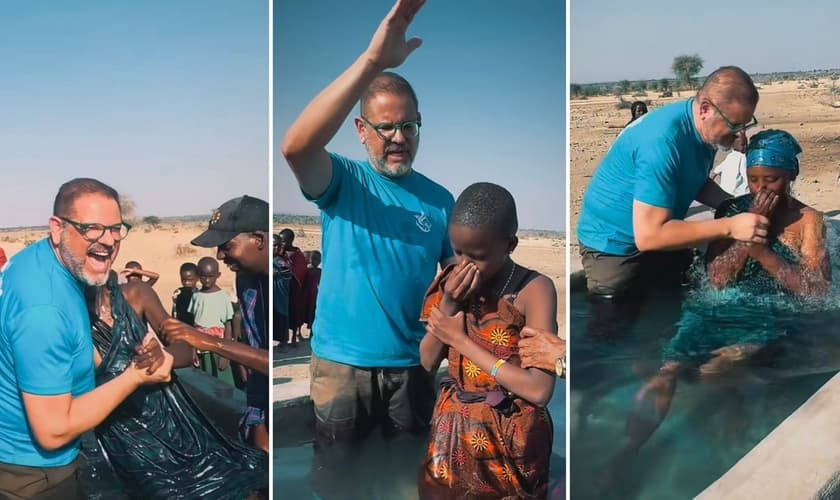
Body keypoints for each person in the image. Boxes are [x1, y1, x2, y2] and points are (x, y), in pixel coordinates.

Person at [281, 0, 454, 490]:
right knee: (335, 474)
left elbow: (457, 280)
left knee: (406, 471)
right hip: (342, 365)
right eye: (385, 128)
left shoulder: (441, 200)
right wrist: (373, 63)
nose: (398, 138)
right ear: (361, 131)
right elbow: (295, 147)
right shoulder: (344, 181)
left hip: (413, 365)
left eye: (409, 126)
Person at [630, 129, 831, 460]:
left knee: (715, 369)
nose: (761, 189)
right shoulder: (732, 212)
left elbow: (816, 294)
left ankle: (736, 409)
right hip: (719, 306)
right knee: (667, 369)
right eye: (754, 180)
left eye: (772, 180)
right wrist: (749, 230)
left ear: (791, 175)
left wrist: (763, 251)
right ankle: (628, 453)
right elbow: (717, 280)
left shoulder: (809, 222)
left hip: (769, 312)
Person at [0, 178, 172, 498]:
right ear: (57, 227)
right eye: (92, 228)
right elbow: (53, 431)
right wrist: (135, 376)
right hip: (34, 475)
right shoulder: (44, 309)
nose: (108, 241)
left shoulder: (41, 260)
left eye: (115, 228)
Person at [577, 66, 767, 301]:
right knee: (616, 318)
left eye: (745, 125)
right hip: (613, 243)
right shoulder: (662, 143)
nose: (740, 135)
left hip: (656, 227)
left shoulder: (702, 130)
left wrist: (734, 204)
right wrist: (731, 226)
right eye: (734, 125)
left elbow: (693, 180)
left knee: (684, 288)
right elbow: (649, 236)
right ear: (706, 109)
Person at [417, 182, 558, 498]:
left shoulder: (534, 291)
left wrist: (463, 342)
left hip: (509, 436)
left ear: (510, 244)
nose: (464, 265)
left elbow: (539, 389)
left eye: (477, 256)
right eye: (458, 252)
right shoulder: (451, 284)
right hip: (454, 430)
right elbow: (426, 361)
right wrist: (450, 303)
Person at [87, 272, 268, 499]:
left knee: (236, 476)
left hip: (174, 420)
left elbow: (185, 345)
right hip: (124, 435)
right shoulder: (66, 316)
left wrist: (165, 356)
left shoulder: (136, 294)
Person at [162, 195, 270, 453]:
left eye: (226, 246)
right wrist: (257, 419)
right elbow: (256, 352)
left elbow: (270, 362)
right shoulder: (246, 281)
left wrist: (210, 342)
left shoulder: (278, 283)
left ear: (258, 239)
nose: (220, 255)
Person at [189, 256, 234, 382]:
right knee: (205, 383)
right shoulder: (196, 296)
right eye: (203, 276)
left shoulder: (223, 297)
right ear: (198, 275)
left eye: (211, 276)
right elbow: (193, 325)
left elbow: (228, 326)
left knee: (223, 385)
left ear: (218, 275)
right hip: (200, 348)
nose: (207, 280)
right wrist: (193, 350)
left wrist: (226, 354)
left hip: (219, 349)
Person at [277, 228, 307, 345]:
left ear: (291, 240)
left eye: (283, 241)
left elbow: (301, 271)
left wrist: (289, 272)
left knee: (295, 312)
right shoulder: (279, 253)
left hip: (295, 289)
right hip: (282, 289)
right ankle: (282, 339)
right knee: (282, 313)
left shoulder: (298, 255)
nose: (282, 244)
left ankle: (295, 335)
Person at [712, 131, 749, 196]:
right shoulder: (743, 157)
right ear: (734, 145)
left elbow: (716, 171)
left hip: (724, 191)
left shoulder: (730, 156)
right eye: (743, 145)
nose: (746, 146)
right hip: (737, 194)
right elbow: (746, 176)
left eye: (746, 144)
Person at [273, 236, 292, 352]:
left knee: (282, 316)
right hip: (271, 294)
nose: (275, 248)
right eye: (273, 245)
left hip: (280, 294)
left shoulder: (282, 261)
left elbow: (287, 274)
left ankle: (284, 342)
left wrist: (276, 273)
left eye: (277, 245)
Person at [171, 261, 199, 325]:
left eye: (190, 280)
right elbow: (174, 311)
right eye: (184, 280)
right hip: (181, 326)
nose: (186, 283)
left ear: (197, 278)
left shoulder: (199, 295)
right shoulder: (178, 293)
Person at [303, 250, 322, 333]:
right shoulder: (305, 270)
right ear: (309, 259)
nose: (315, 261)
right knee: (303, 312)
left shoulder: (320, 271)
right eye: (313, 259)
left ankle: (311, 331)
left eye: (318, 259)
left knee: (313, 313)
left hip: (315, 296)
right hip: (305, 295)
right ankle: (298, 332)